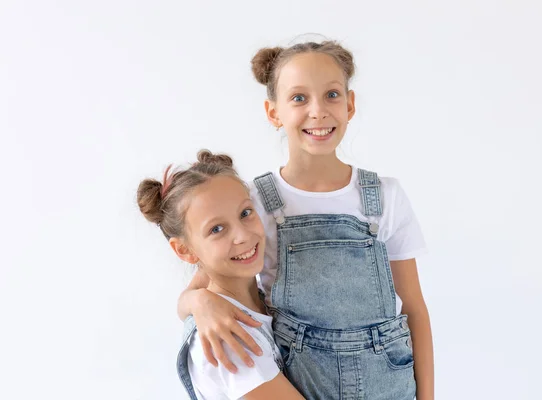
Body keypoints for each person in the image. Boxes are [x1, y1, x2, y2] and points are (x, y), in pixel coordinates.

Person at [178, 40, 434, 399]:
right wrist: (199, 304)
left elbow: (414, 307)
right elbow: (198, 288)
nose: (318, 112)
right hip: (304, 385)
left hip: (389, 386)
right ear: (273, 112)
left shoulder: (385, 197)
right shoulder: (253, 204)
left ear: (350, 104)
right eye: (299, 98)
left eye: (331, 94)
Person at [137, 150, 305, 399]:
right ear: (184, 250)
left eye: (245, 213)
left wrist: (197, 300)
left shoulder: (257, 298)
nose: (243, 236)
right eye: (216, 229)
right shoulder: (227, 340)